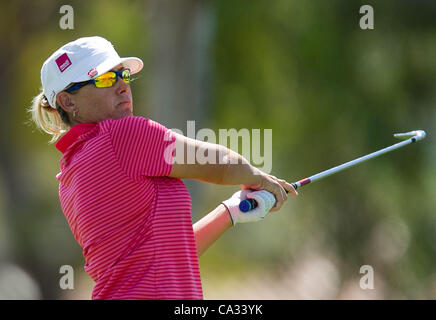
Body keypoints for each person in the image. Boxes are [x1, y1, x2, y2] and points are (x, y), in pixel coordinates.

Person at [29, 36, 298, 300]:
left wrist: (231, 212)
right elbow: (219, 165)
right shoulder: (121, 135)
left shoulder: (67, 178)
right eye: (105, 79)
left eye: (123, 75)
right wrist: (260, 178)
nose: (123, 86)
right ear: (67, 102)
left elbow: (167, 255)